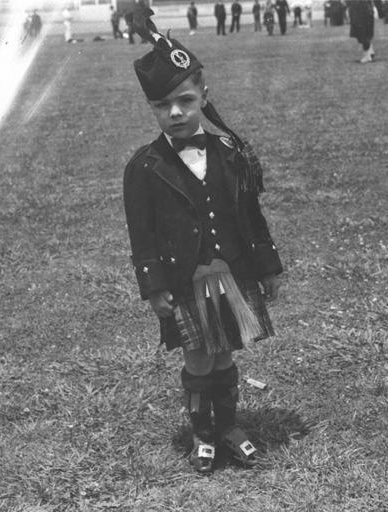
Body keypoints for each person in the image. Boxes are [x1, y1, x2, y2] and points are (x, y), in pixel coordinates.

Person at [124, 8, 283, 475]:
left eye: (185, 101)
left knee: (226, 352)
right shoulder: (144, 167)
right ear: (151, 107)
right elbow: (142, 236)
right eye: (162, 105)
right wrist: (154, 287)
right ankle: (203, 434)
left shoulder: (230, 153)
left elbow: (250, 217)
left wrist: (268, 267)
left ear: (203, 97)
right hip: (185, 283)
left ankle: (229, 425)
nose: (175, 113)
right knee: (198, 357)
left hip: (231, 275)